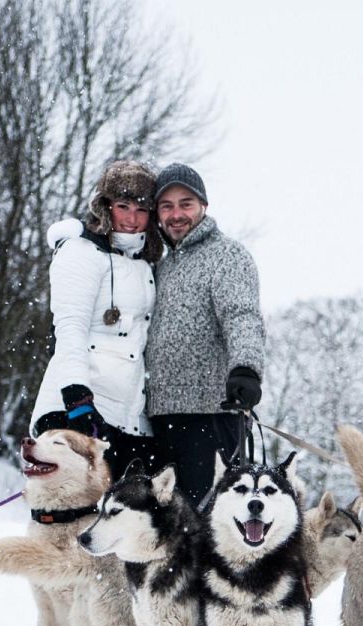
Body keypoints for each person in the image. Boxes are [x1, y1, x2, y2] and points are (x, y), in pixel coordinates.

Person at [30, 160, 162, 479]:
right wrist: (78, 400)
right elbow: (70, 328)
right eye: (123, 206)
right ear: (105, 205)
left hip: (127, 415)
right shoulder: (81, 252)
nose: (132, 219)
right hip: (78, 407)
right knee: (68, 514)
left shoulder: (146, 265)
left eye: (142, 210)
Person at [144, 163, 266, 506]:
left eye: (186, 203)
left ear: (203, 206)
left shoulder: (227, 255)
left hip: (211, 416)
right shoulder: (162, 266)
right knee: (167, 527)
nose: (176, 214)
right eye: (166, 206)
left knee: (207, 523)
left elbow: (242, 316)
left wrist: (246, 369)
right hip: (161, 416)